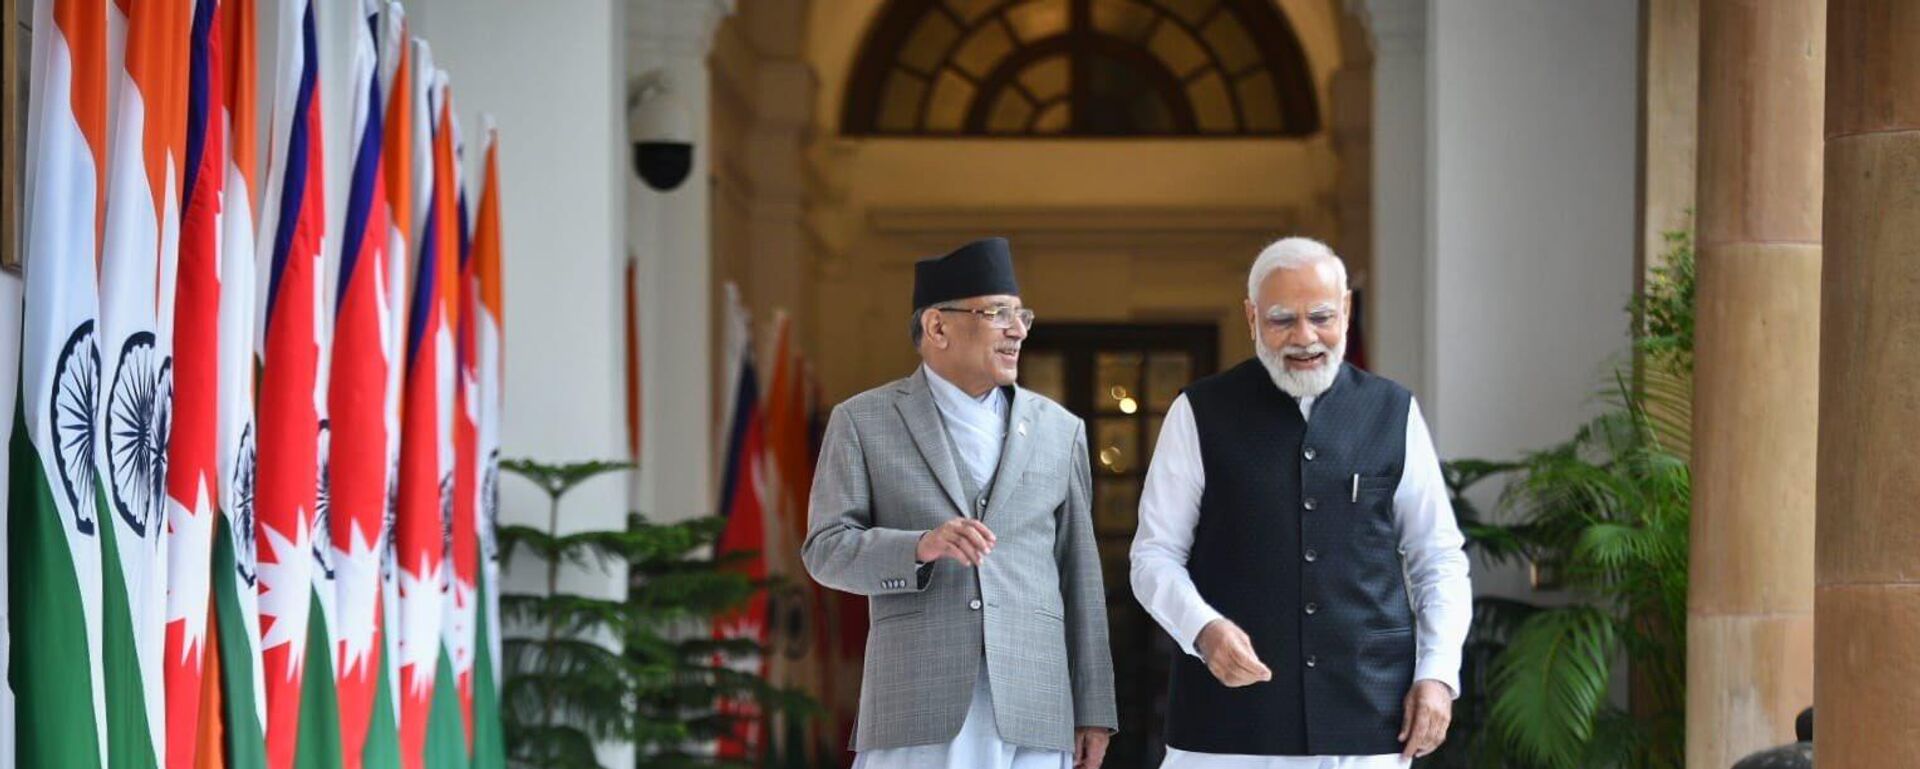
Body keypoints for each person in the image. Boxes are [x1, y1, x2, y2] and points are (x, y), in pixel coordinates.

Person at [1130, 237, 1472, 768]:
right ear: (1250, 317)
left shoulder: (1393, 411)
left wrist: (1437, 673)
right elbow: (1153, 556)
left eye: (1321, 316)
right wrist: (1203, 629)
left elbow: (1438, 558)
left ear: (1347, 310)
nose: (1304, 337)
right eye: (1282, 320)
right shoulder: (1197, 412)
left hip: (1369, 719)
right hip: (1225, 728)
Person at [802, 237, 1117, 769]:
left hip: (1036, 705)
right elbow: (825, 550)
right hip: (915, 704)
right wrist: (919, 547)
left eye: (1022, 317)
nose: (1017, 331)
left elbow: (1080, 576)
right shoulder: (863, 421)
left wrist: (1094, 709)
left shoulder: (1060, 431)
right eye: (997, 314)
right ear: (937, 327)